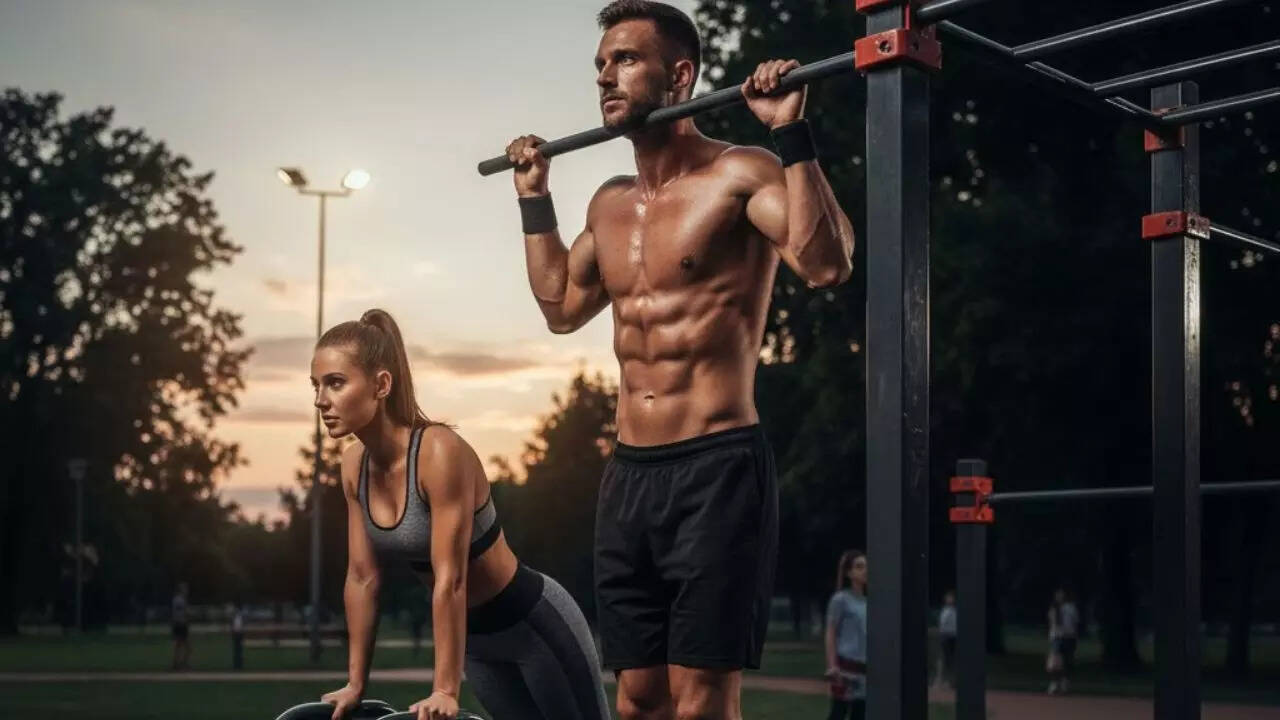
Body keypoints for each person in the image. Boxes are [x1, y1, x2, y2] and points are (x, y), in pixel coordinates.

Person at [502, 2, 855, 716]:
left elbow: (827, 263)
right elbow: (560, 309)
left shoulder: (738, 173)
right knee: (637, 700)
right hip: (629, 475)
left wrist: (789, 130)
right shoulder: (608, 202)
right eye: (601, 64)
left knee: (699, 703)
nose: (606, 75)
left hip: (717, 469)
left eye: (626, 59)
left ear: (682, 75)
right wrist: (535, 201)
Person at [312, 310, 610, 720]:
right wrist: (355, 684)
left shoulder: (438, 452)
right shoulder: (353, 466)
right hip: (478, 644)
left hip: (535, 627)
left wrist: (444, 689)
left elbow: (451, 578)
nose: (320, 400)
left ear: (381, 384)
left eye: (335, 383)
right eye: (316, 385)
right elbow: (363, 578)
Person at [824, 551, 868, 720]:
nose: (864, 570)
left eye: (865, 566)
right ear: (849, 573)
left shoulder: (869, 602)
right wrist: (832, 665)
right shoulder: (840, 599)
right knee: (838, 712)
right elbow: (831, 632)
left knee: (860, 714)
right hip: (845, 669)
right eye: (859, 566)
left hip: (864, 669)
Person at [1047, 587, 1079, 694]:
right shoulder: (1054, 608)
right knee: (1054, 663)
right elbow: (1052, 622)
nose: (1060, 597)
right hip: (1057, 637)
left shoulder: (1071, 608)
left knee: (1067, 661)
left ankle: (1065, 683)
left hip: (1069, 637)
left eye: (1062, 594)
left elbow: (1075, 622)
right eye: (1058, 595)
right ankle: (1054, 683)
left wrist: (1073, 634)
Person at [935, 590, 957, 688]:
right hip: (945, 636)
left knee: (951, 660)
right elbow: (942, 625)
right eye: (949, 597)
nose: (950, 599)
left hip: (953, 637)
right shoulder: (946, 611)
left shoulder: (955, 611)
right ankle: (939, 680)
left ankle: (949, 681)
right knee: (943, 659)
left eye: (952, 597)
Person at [171, 581, 191, 670]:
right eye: (185, 589)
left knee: (178, 646)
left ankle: (177, 664)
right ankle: (183, 664)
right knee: (187, 647)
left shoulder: (176, 599)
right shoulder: (181, 600)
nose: (186, 590)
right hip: (181, 624)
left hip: (178, 624)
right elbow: (182, 613)